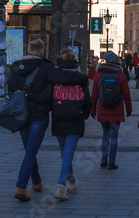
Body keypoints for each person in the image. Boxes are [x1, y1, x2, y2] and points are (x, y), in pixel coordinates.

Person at [9, 38, 86, 202]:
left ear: (29, 50)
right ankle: (20, 186)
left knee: (29, 150)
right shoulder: (46, 67)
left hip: (20, 115)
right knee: (31, 151)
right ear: (42, 51)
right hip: (38, 117)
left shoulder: (15, 67)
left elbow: (10, 91)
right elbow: (64, 78)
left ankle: (36, 182)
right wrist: (82, 79)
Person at [51, 49, 91, 201]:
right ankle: (62, 185)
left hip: (59, 118)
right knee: (68, 153)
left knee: (65, 153)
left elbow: (50, 98)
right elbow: (87, 100)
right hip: (75, 118)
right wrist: (85, 115)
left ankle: (71, 182)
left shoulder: (55, 77)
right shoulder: (81, 79)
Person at [91, 51, 133, 170]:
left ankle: (103, 159)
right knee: (114, 136)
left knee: (105, 134)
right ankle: (112, 162)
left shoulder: (99, 75)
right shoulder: (120, 75)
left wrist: (92, 110)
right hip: (116, 110)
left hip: (102, 108)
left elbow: (94, 95)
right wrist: (129, 109)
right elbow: (126, 94)